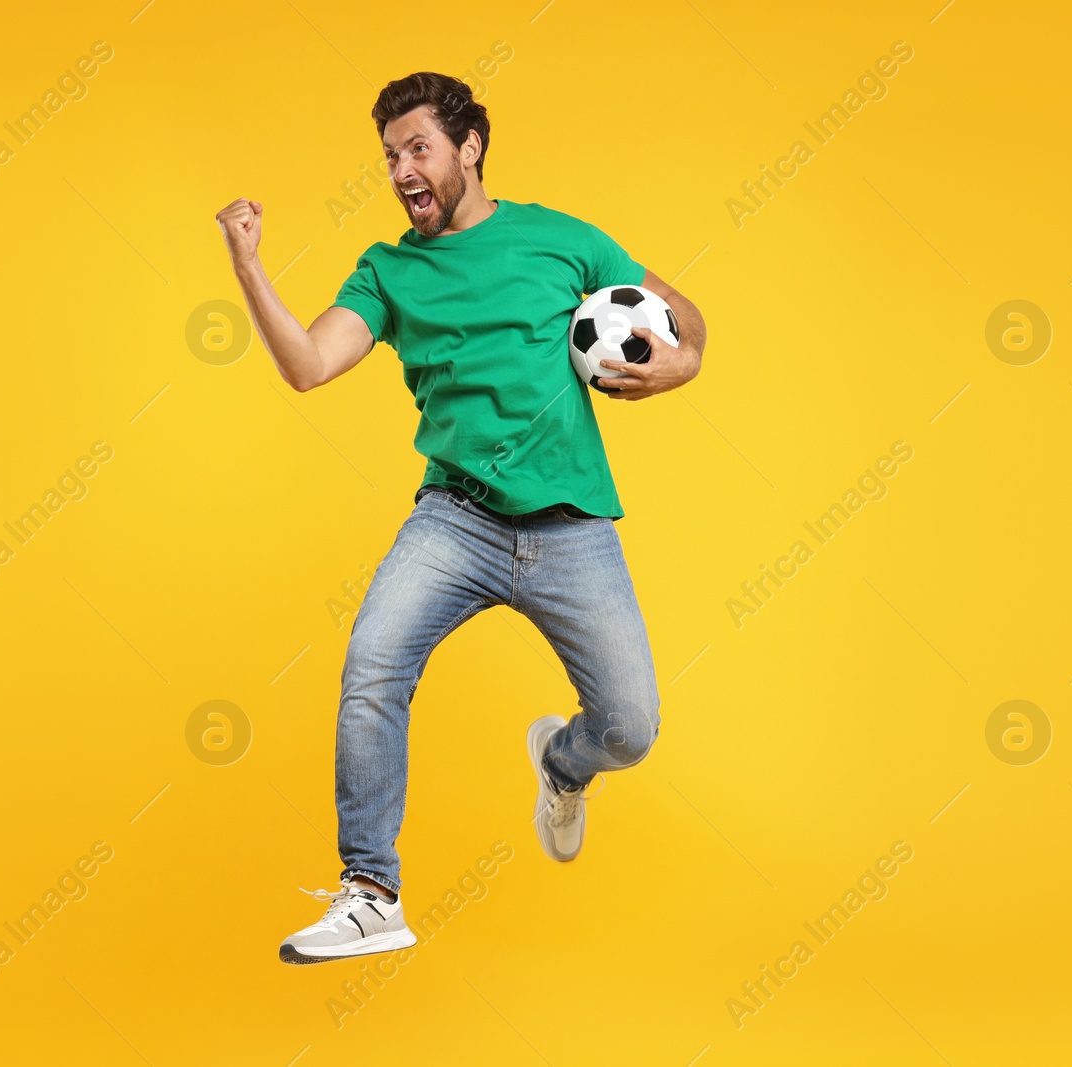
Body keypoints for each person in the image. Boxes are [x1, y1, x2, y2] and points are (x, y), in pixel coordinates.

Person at [215, 71, 706, 965]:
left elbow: (686, 316)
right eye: (389, 156)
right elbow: (309, 364)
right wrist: (249, 266)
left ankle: (562, 766)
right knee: (371, 664)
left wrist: (686, 363)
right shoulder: (388, 270)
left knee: (630, 726)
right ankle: (371, 892)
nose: (402, 170)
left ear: (468, 146)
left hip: (571, 528)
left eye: (417, 149)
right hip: (455, 521)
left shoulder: (562, 240)